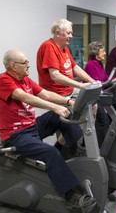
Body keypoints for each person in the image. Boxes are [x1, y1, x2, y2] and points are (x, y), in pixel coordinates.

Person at [0, 49, 97, 213]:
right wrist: (55, 108)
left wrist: (68, 102)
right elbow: (25, 97)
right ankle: (70, 196)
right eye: (25, 63)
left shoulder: (26, 79)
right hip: (15, 135)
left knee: (62, 116)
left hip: (31, 127)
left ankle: (76, 151)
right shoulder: (3, 80)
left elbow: (46, 94)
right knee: (50, 153)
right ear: (13, 66)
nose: (28, 65)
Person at [36, 18, 97, 150]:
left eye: (71, 33)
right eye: (68, 33)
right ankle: (74, 146)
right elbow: (55, 76)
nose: (71, 36)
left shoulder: (64, 48)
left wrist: (91, 81)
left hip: (69, 91)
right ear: (57, 33)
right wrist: (80, 85)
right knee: (71, 119)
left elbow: (75, 68)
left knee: (93, 105)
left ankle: (82, 144)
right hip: (56, 93)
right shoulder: (49, 47)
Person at [84, 41, 116, 145]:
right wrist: (109, 81)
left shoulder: (99, 64)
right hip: (93, 98)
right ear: (96, 53)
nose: (104, 53)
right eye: (103, 51)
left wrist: (115, 79)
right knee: (104, 122)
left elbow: (104, 79)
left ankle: (107, 146)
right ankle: (104, 149)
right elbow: (96, 84)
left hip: (100, 96)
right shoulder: (91, 65)